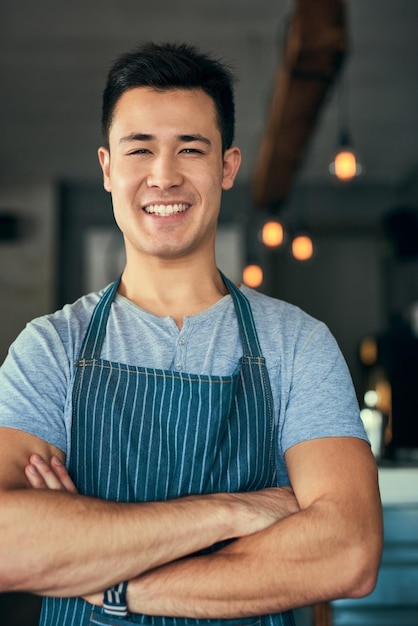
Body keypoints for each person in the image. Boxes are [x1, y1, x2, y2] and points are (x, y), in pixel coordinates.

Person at [0, 42, 382, 626]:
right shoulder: (50, 348)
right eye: (140, 149)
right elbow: (10, 546)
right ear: (107, 168)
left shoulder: (297, 344)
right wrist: (233, 512)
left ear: (226, 166)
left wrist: (114, 582)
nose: (164, 175)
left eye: (190, 148)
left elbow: (349, 552)